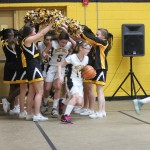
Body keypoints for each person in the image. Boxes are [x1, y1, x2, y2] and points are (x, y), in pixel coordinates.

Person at [21, 22, 53, 121]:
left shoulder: (27, 40)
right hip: (34, 67)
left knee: (31, 92)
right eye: (34, 30)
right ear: (30, 32)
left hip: (31, 67)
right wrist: (51, 24)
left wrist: (44, 25)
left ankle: (29, 114)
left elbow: (40, 32)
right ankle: (37, 114)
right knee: (40, 92)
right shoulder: (28, 40)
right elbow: (42, 34)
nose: (36, 31)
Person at [79, 26, 113, 119]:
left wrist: (82, 32)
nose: (96, 35)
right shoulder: (96, 44)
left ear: (103, 37)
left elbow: (92, 38)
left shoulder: (104, 42)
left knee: (100, 91)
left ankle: (101, 111)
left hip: (101, 69)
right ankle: (101, 111)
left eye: (98, 34)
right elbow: (89, 39)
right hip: (96, 68)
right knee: (98, 91)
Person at [58, 41, 92, 124]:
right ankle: (65, 116)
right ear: (80, 48)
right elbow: (60, 65)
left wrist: (89, 74)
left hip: (80, 81)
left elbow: (84, 71)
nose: (88, 51)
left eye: (89, 49)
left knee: (79, 103)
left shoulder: (86, 59)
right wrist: (60, 76)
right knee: (75, 97)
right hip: (71, 79)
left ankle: (63, 102)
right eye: (87, 49)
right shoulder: (72, 57)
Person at [44, 31, 74, 118]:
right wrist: (45, 55)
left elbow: (75, 44)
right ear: (58, 40)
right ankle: (45, 103)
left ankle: (54, 108)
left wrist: (68, 34)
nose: (64, 44)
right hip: (52, 67)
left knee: (58, 87)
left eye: (65, 42)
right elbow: (44, 52)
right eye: (62, 42)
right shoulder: (52, 43)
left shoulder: (69, 45)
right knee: (47, 88)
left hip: (61, 68)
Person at [0, 28, 20, 115]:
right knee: (17, 87)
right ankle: (7, 101)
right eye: (11, 35)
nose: (13, 36)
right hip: (11, 67)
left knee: (15, 87)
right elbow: (11, 43)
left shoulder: (13, 43)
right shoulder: (5, 42)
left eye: (13, 34)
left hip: (15, 66)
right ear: (7, 36)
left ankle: (12, 108)